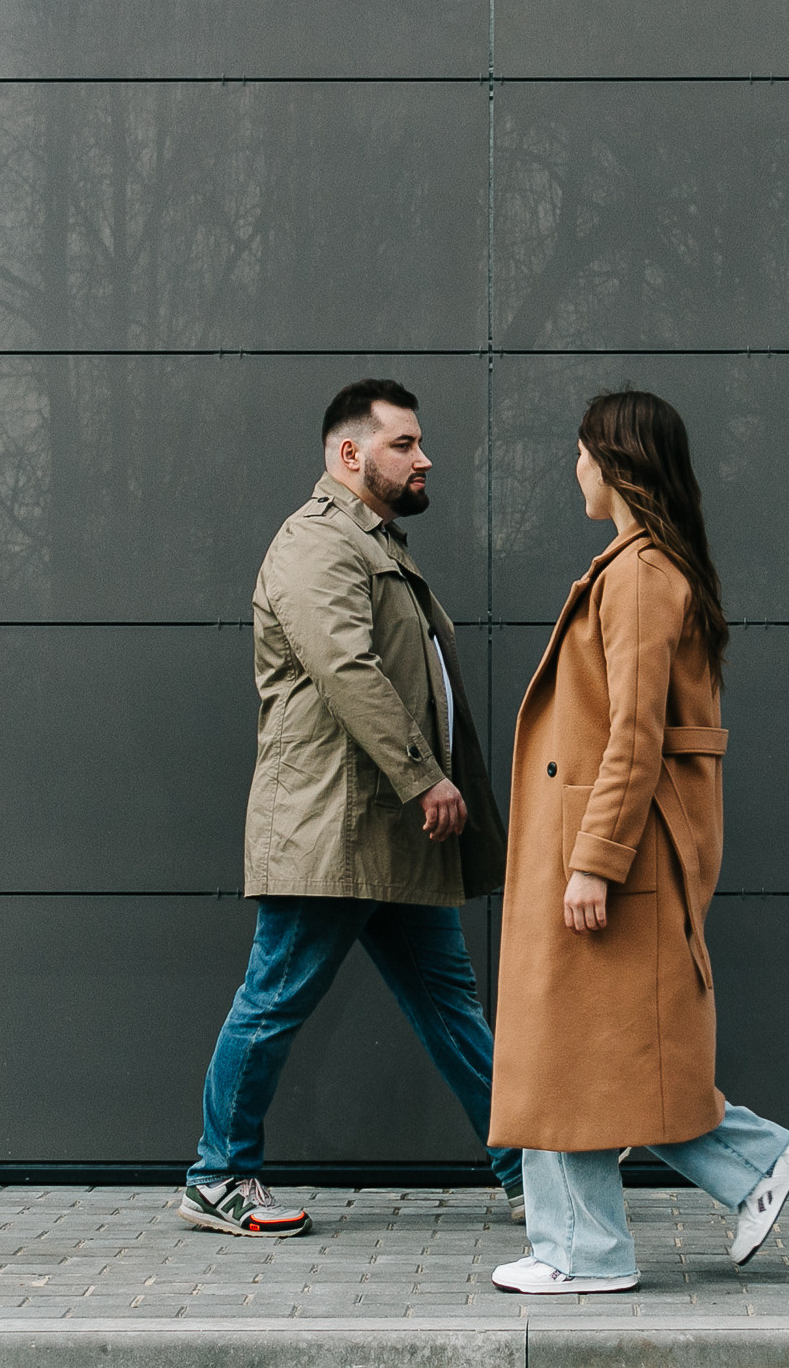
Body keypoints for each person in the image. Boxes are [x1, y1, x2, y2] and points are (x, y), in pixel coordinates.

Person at [486, 390, 789, 1294]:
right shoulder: (649, 566)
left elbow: (634, 732)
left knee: (571, 1049)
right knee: (604, 1047)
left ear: (619, 464)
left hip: (607, 847)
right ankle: (752, 1164)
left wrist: (594, 859)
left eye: (584, 452)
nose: (575, 467)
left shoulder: (636, 574)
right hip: (613, 840)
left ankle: (584, 1252)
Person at [181, 379, 521, 1238]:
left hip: (388, 835)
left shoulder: (375, 545)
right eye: (404, 443)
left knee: (451, 1006)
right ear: (350, 454)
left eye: (417, 442)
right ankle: (219, 1174)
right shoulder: (317, 545)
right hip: (330, 830)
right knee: (274, 996)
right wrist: (425, 777)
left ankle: (532, 1163)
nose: (423, 456)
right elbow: (348, 671)